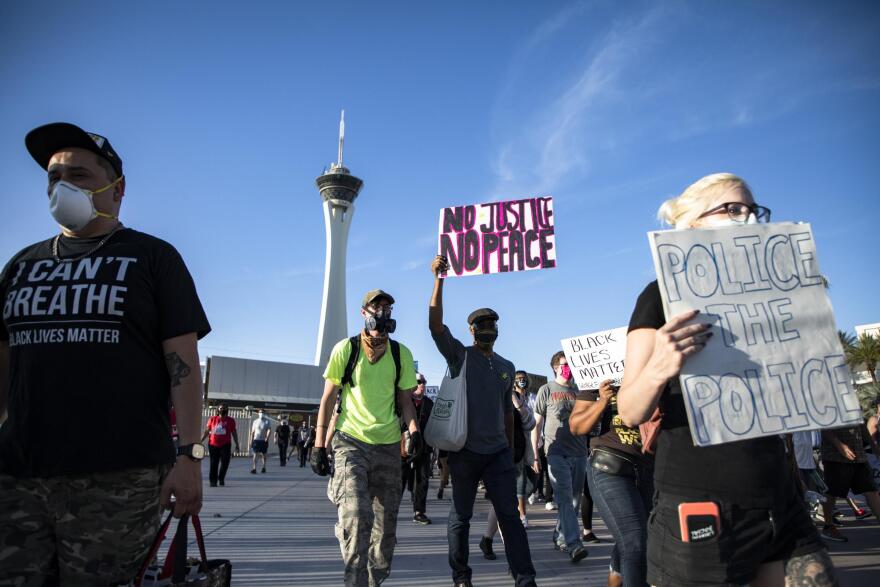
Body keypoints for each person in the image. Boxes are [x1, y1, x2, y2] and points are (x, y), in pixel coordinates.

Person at [0, 122, 210, 584]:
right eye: (53, 177)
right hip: (18, 476)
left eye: (79, 176)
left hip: (118, 478)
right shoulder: (20, 265)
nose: (62, 187)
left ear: (117, 190)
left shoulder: (153, 258)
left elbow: (184, 367)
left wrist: (189, 459)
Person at [616, 172, 835, 586]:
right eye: (732, 209)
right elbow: (629, 410)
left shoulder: (776, 295)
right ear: (693, 222)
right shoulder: (659, 295)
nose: (747, 218)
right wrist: (661, 364)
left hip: (779, 496)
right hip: (701, 503)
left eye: (754, 210)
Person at [429, 255, 537, 587]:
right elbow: (435, 326)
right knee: (461, 517)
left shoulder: (506, 365)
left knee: (511, 517)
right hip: (465, 453)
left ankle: (525, 577)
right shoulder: (461, 357)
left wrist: (510, 449)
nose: (489, 329)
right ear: (472, 330)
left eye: (493, 324)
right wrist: (439, 280)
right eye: (482, 325)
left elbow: (508, 411)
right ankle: (461, 575)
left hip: (498, 456)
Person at [310, 289, 421, 587]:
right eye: (377, 306)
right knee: (358, 517)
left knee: (385, 534)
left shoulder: (401, 354)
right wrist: (319, 445)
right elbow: (327, 398)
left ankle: (374, 580)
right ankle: (354, 579)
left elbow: (406, 401)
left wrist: (413, 432)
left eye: (388, 307)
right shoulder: (346, 349)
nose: (383, 312)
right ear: (364, 312)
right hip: (350, 443)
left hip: (387, 447)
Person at [570, 379, 653, 586]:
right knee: (635, 542)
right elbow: (576, 426)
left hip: (649, 468)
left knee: (635, 536)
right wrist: (603, 400)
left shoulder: (653, 369)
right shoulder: (598, 380)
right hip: (610, 466)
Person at [532, 351, 589, 563]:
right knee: (564, 497)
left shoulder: (580, 391)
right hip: (555, 453)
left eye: (571, 364)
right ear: (556, 367)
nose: (568, 368)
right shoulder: (546, 390)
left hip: (580, 451)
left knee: (574, 500)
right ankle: (574, 544)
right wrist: (535, 454)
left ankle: (559, 534)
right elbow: (536, 424)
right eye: (565, 364)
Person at [480, 374, 536, 561]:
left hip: (516, 456)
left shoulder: (517, 399)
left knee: (501, 502)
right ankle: (513, 552)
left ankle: (487, 539)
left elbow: (530, 423)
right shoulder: (488, 400)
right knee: (506, 503)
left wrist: (517, 403)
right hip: (496, 456)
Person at [819, 424, 880, 541]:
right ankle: (828, 527)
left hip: (859, 454)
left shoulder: (855, 405)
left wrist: (874, 445)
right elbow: (823, 427)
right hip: (835, 455)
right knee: (832, 491)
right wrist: (839, 445)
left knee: (872, 490)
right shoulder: (829, 404)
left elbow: (861, 426)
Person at [402, 373, 434, 525]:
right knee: (399, 479)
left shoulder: (429, 403)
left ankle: (419, 511)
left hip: (424, 447)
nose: (422, 384)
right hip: (404, 447)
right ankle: (390, 511)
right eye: (418, 381)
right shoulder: (404, 401)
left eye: (424, 382)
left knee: (422, 479)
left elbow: (435, 425)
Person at [202, 404, 240, 487]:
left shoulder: (231, 420)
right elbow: (207, 431)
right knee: (214, 462)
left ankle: (221, 478)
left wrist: (237, 444)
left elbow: (234, 433)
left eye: (224, 408)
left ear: (227, 410)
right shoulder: (212, 419)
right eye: (221, 408)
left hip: (225, 444)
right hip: (213, 444)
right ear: (218, 410)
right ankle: (213, 481)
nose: (222, 409)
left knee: (225, 461)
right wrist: (200, 440)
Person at [250, 409, 271, 474]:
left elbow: (269, 430)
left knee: (263, 454)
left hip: (263, 440)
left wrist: (267, 437)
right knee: (255, 454)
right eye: (260, 412)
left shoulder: (267, 421)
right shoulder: (255, 421)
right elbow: (252, 432)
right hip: (256, 440)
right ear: (258, 413)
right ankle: (254, 468)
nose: (261, 413)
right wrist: (251, 441)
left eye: (263, 412)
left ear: (264, 413)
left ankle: (264, 467)